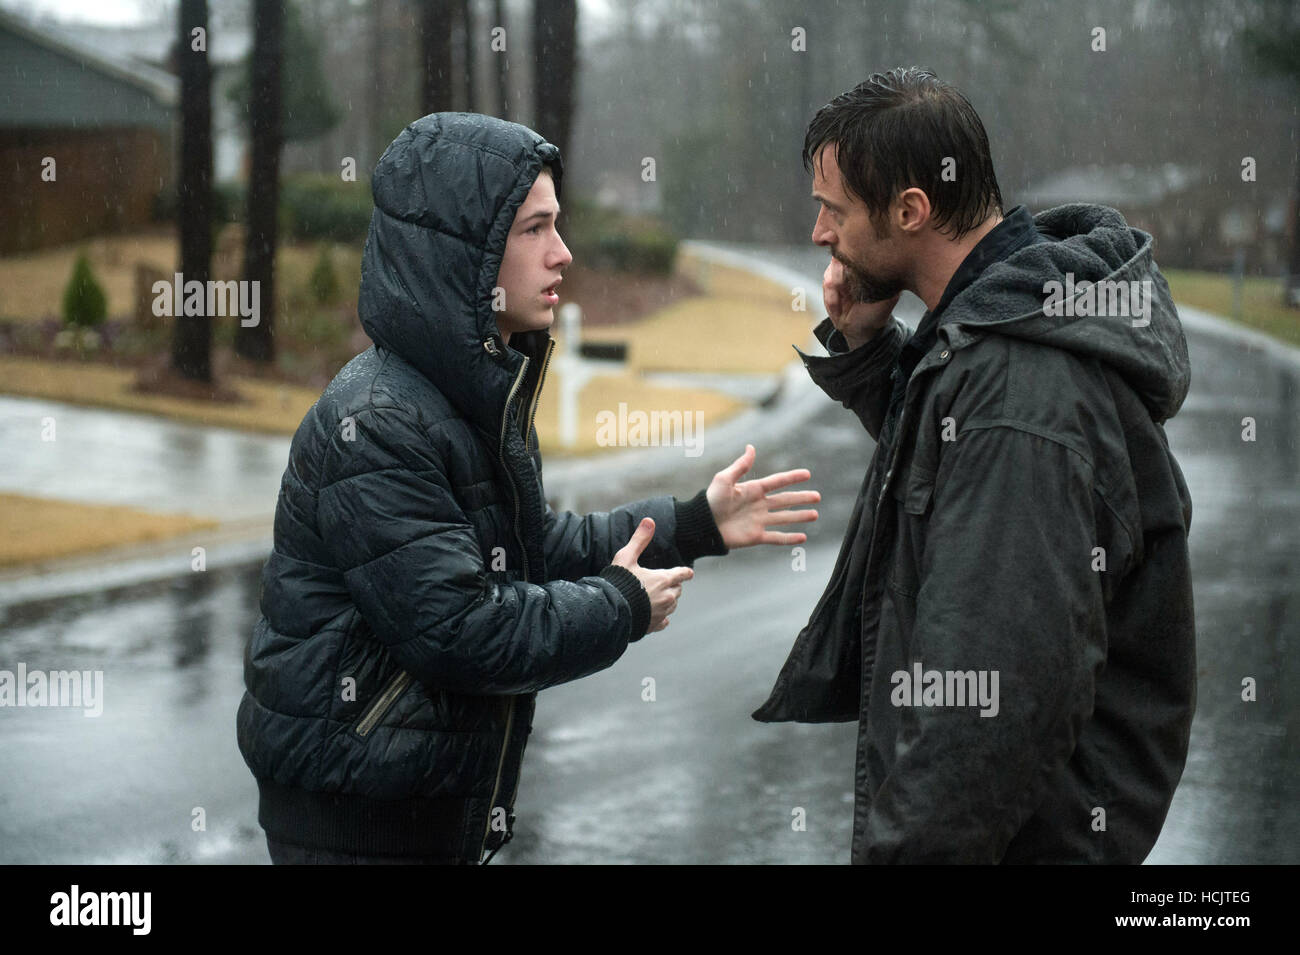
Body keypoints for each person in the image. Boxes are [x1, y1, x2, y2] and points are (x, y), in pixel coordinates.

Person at [236, 112, 820, 865]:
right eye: (535, 230)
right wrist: (621, 605)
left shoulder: (467, 395)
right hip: (360, 823)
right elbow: (461, 629)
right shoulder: (378, 423)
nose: (563, 254)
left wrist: (692, 523)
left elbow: (531, 548)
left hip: (421, 812)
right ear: (465, 254)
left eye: (559, 226)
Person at [754, 68, 1196, 864]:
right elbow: (949, 471)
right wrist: (863, 348)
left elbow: (990, 713)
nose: (820, 232)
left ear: (911, 210)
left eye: (834, 209)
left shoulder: (1018, 390)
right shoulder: (1001, 320)